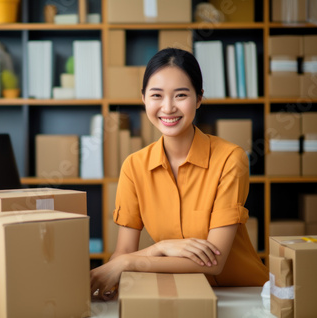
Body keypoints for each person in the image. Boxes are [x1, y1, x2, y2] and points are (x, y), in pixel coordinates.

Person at [90, 47, 268, 300]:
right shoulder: (134, 166)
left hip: (241, 294)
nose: (168, 107)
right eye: (157, 95)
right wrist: (159, 248)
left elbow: (214, 261)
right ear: (143, 99)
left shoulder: (230, 158)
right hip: (179, 292)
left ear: (198, 99)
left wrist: (135, 259)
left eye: (181, 95)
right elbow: (123, 253)